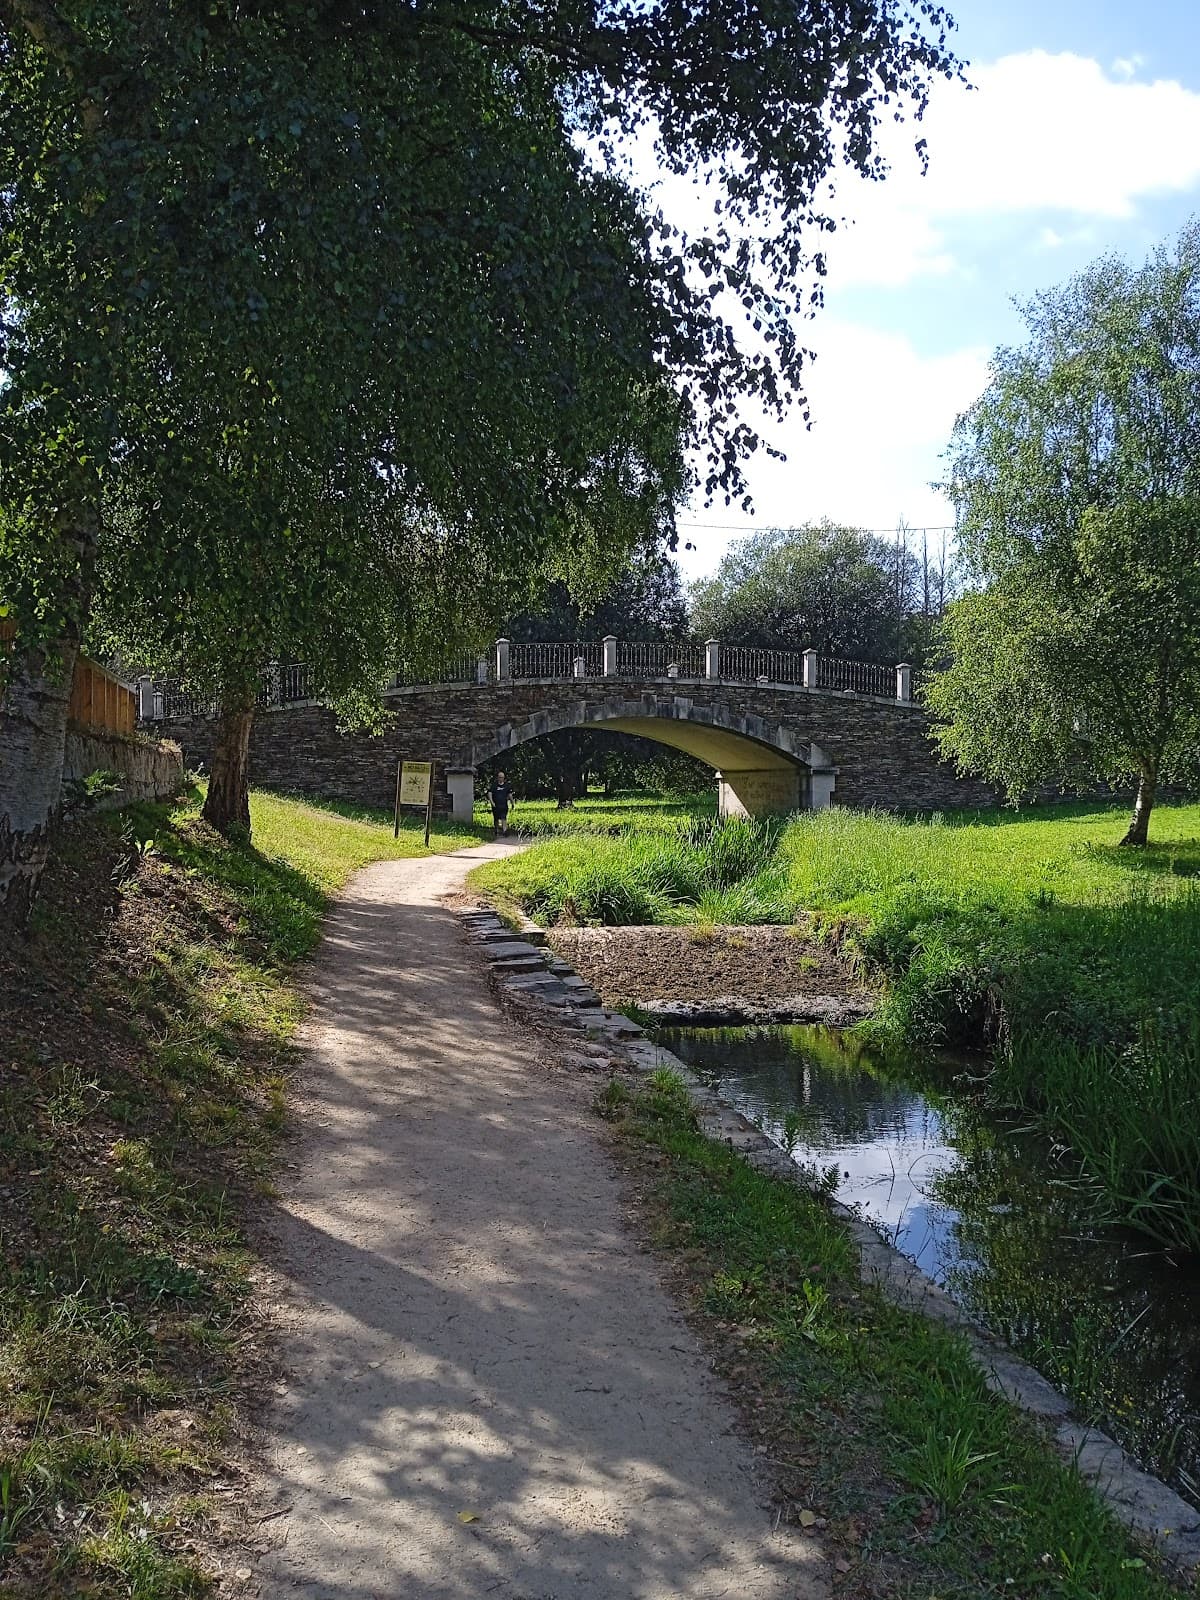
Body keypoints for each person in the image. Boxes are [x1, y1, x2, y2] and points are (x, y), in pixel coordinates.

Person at [490, 769, 513, 835]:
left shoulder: (506, 786)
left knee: (504, 818)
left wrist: (512, 803)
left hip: (504, 805)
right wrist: (492, 802)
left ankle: (504, 831)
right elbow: (489, 793)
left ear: (504, 778)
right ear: (497, 777)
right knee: (496, 819)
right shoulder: (494, 785)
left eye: (502, 777)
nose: (501, 779)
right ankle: (496, 830)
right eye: (500, 777)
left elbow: (510, 794)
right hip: (496, 805)